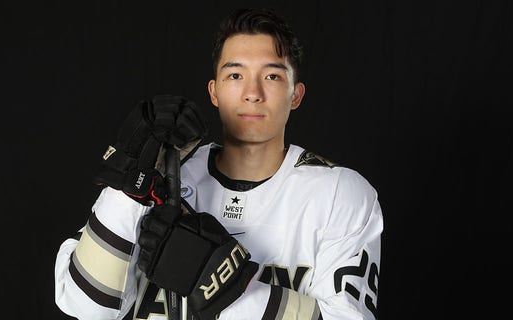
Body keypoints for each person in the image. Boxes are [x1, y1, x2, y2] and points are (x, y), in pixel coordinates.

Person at [55, 7, 383, 320]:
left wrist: (222, 285)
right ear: (214, 91)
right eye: (236, 74)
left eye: (271, 76)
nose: (252, 93)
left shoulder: (340, 193)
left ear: (295, 95)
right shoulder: (163, 175)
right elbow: (86, 308)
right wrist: (130, 185)